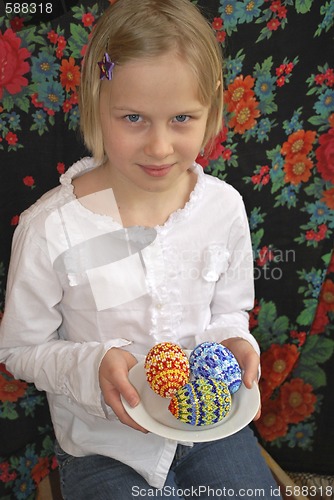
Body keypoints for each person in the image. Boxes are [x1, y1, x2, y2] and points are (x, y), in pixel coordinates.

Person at [0, 0, 282, 498]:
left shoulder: (223, 208)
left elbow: (229, 312)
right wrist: (92, 366)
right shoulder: (53, 228)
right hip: (104, 443)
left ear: (212, 109)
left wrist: (237, 345)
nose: (158, 147)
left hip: (211, 428)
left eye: (181, 118)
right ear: (96, 102)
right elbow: (20, 349)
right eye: (133, 117)